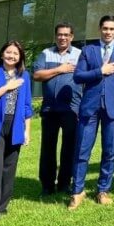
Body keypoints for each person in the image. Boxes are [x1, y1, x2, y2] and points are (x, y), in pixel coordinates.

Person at [68, 15, 114, 209]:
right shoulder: (88, 50)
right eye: (105, 28)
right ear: (100, 29)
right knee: (82, 150)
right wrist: (100, 71)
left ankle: (103, 190)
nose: (108, 32)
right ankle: (77, 191)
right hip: (90, 108)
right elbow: (78, 76)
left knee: (109, 151)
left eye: (112, 29)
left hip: (113, 110)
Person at [0, 40, 33, 226]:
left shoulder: (24, 76)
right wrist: (7, 87)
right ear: (2, 54)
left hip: (16, 125)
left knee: (9, 170)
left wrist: (27, 131)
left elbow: (27, 106)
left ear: (20, 57)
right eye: (8, 52)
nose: (11, 56)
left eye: (16, 53)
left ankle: (0, 206)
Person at [33, 22, 81, 195]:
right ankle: (47, 185)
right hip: (50, 109)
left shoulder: (79, 54)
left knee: (69, 147)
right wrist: (60, 69)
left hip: (71, 109)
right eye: (60, 34)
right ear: (55, 36)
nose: (63, 37)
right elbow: (37, 75)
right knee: (48, 147)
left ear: (72, 37)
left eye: (66, 34)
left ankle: (64, 183)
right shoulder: (46, 53)